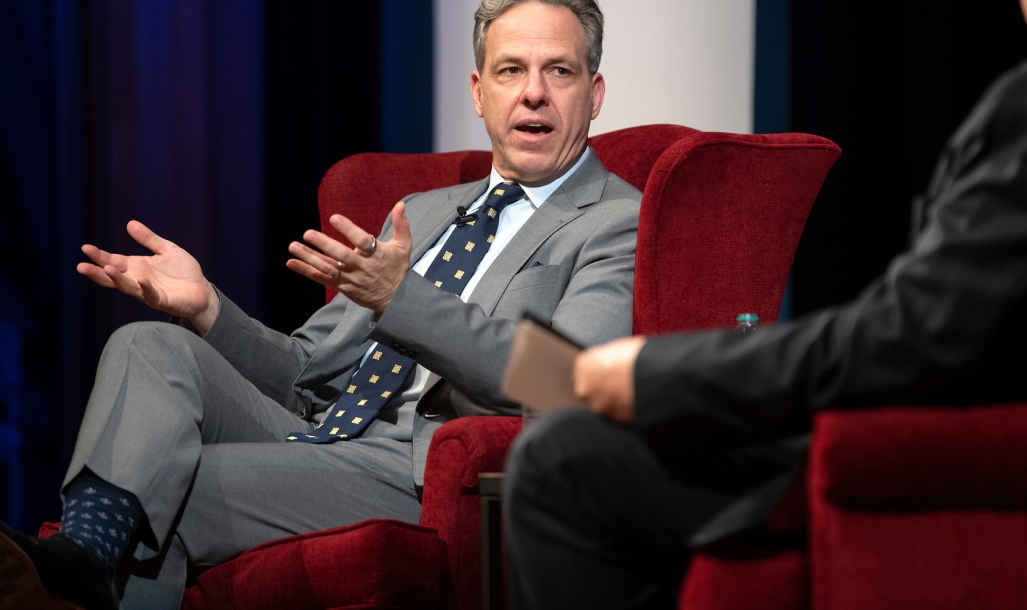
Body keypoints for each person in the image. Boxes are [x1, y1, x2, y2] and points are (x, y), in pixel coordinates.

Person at [503, 0, 1027, 608]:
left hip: (964, 453)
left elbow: (911, 341)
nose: (533, 93)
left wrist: (652, 374)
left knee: (566, 459)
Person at [0, 1, 633, 609]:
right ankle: (79, 563)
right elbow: (306, 373)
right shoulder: (428, 211)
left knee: (161, 487)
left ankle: (69, 579)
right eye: (510, 70)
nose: (533, 93)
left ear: (594, 93)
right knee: (149, 342)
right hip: (323, 435)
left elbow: (567, 383)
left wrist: (400, 299)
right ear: (478, 91)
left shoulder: (614, 220)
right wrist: (206, 308)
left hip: (417, 466)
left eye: (559, 70)